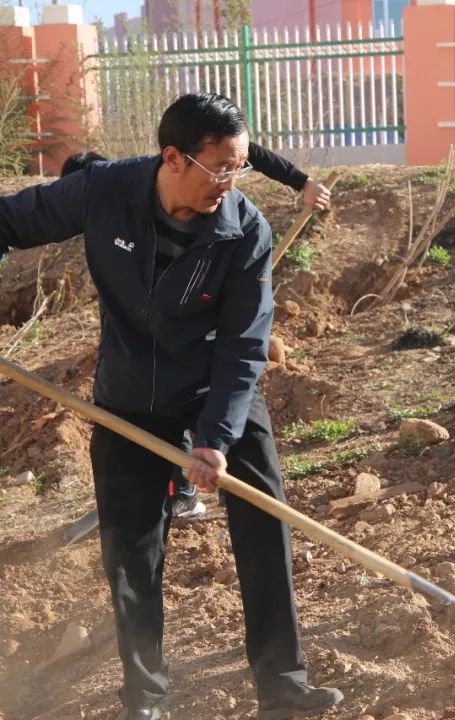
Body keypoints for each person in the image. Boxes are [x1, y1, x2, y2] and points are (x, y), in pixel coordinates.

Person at [0, 93, 343, 720]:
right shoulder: (105, 192)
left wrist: (215, 436)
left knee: (265, 521)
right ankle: (147, 700)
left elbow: (244, 346)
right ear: (173, 158)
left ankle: (283, 682)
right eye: (222, 168)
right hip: (131, 392)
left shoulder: (246, 230)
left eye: (241, 167)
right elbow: (10, 222)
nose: (231, 182)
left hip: (217, 387)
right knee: (131, 549)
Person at [60, 144, 332, 521]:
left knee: (181, 383)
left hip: (198, 328)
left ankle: (183, 490)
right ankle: (165, 488)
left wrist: (301, 181)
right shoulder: (115, 212)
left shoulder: (178, 173)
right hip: (142, 345)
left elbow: (245, 147)